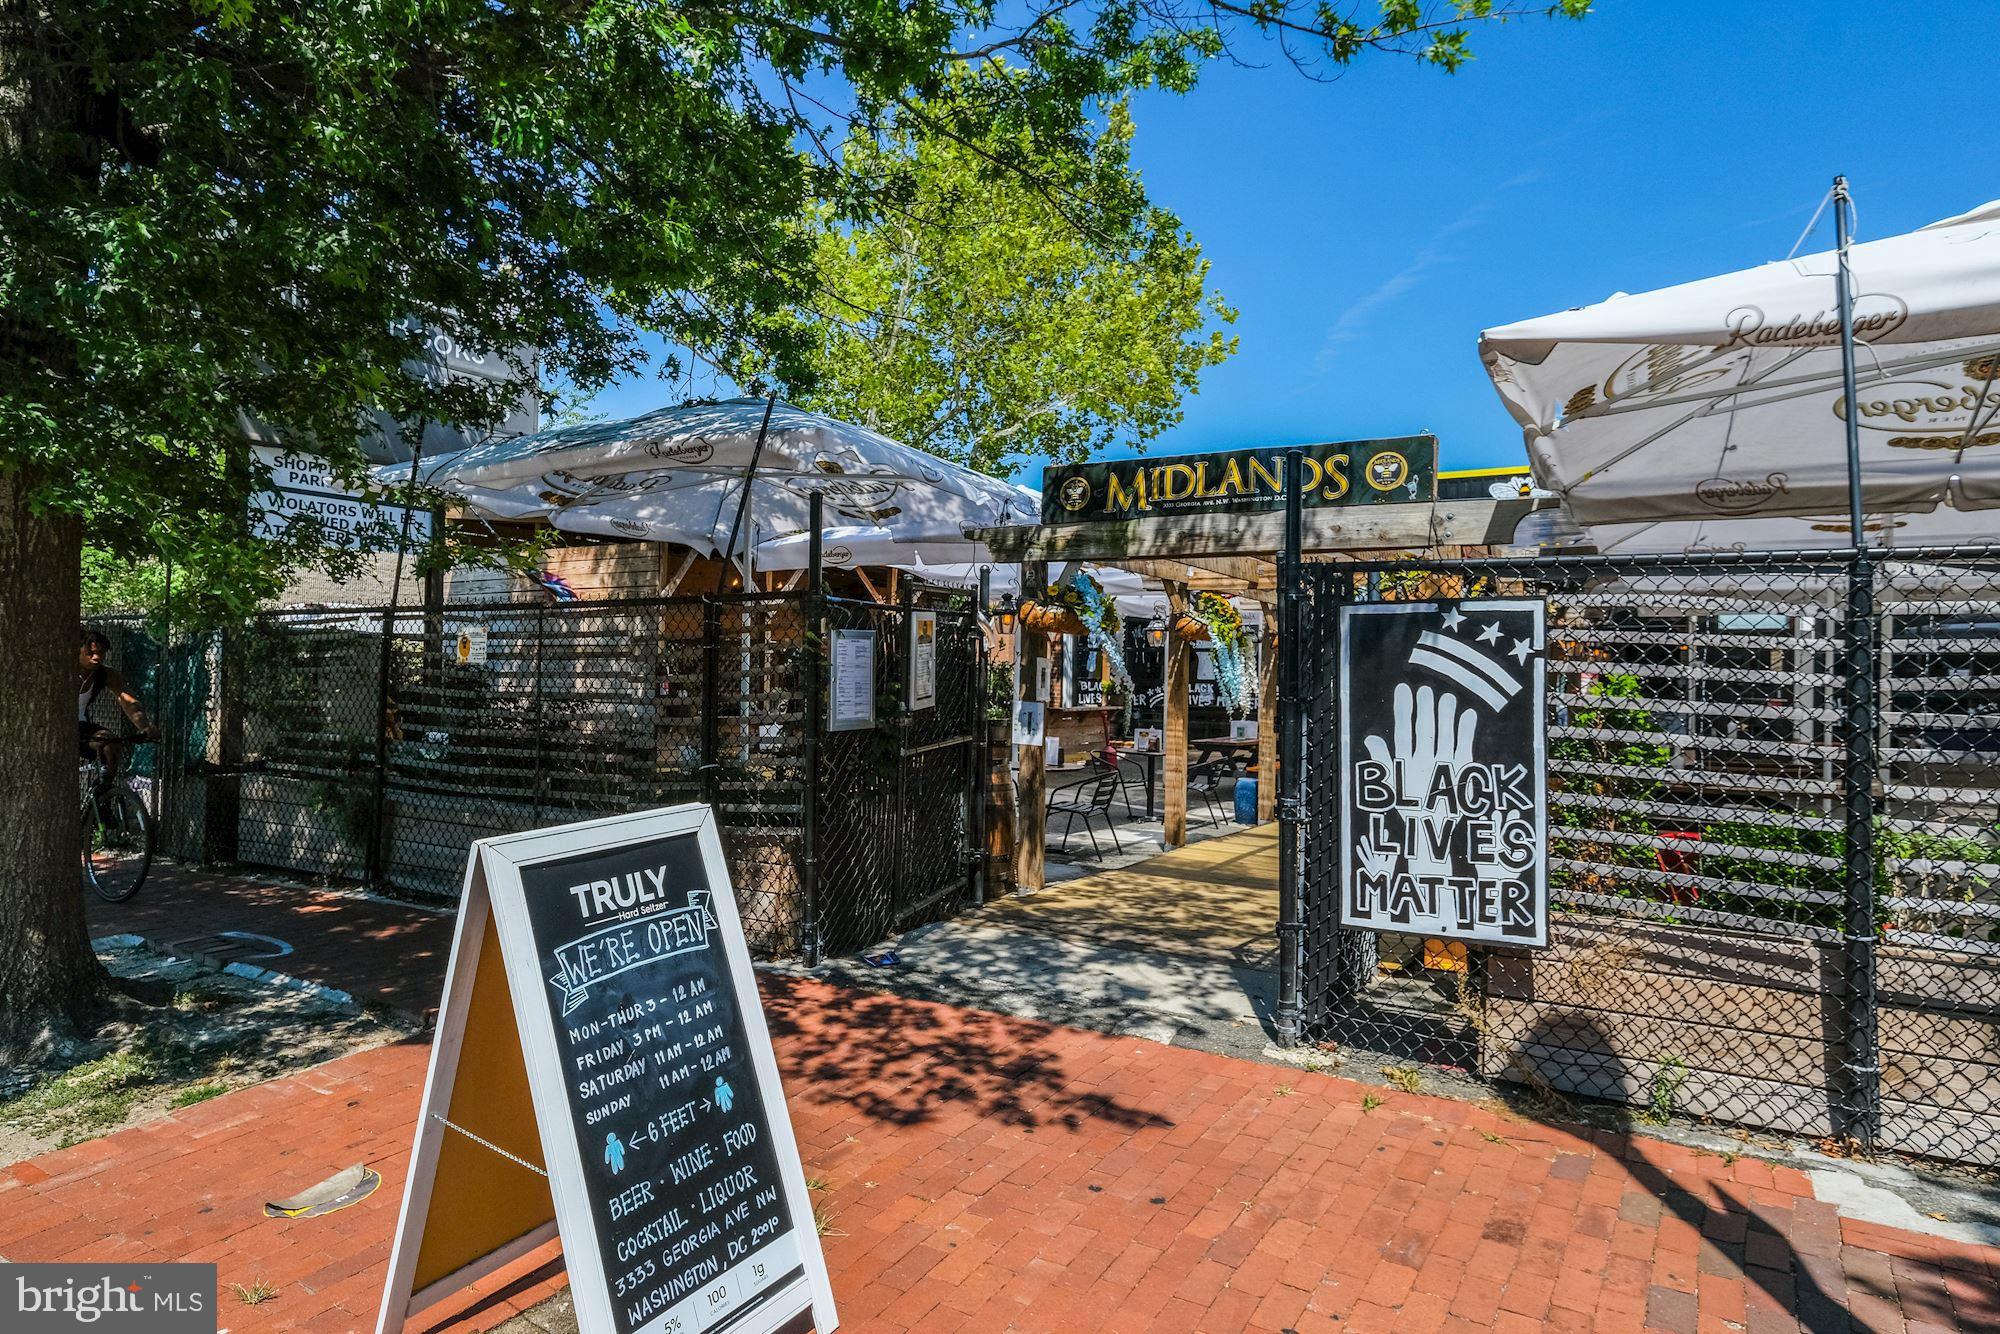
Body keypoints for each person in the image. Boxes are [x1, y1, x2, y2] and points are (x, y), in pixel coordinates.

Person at [78, 630, 158, 785]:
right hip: (56, 727)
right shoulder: (60, 671)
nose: (97, 657)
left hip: (81, 725)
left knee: (111, 743)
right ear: (78, 649)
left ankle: (103, 794)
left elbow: (128, 700)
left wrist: (145, 727)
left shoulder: (106, 674)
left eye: (101, 653)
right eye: (91, 652)